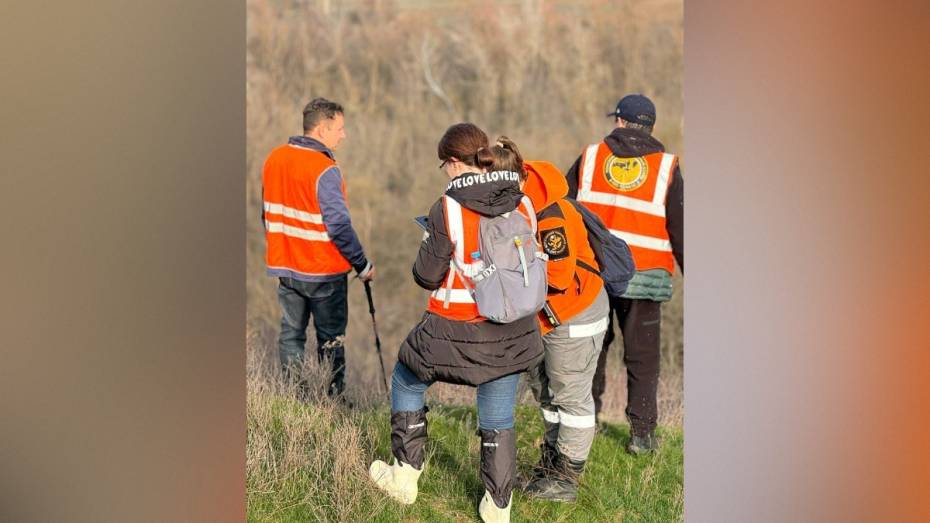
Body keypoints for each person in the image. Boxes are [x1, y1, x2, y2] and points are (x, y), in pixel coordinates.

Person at [368, 123, 543, 523]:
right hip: (513, 327)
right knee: (498, 416)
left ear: (451, 162)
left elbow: (427, 276)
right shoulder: (522, 200)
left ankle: (406, 476)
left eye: (442, 165)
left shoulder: (447, 207)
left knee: (407, 377)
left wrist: (429, 241)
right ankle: (498, 506)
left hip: (455, 326)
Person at [488, 138, 609, 502]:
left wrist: (515, 265)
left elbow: (557, 277)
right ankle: (551, 465)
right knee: (547, 394)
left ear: (515, 180)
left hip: (575, 314)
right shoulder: (522, 208)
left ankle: (567, 478)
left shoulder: (551, 214)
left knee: (570, 397)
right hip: (548, 318)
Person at [565, 94, 684, 454]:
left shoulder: (590, 158)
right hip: (645, 278)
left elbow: (564, 209)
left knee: (593, 349)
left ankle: (589, 421)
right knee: (642, 358)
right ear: (650, 127)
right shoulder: (667, 167)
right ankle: (642, 437)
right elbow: (680, 228)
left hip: (595, 273)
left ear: (619, 122)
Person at [261, 97, 375, 400]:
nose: (344, 134)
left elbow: (267, 214)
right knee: (331, 340)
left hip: (285, 266)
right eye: (340, 128)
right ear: (322, 129)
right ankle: (333, 400)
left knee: (290, 336)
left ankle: (294, 400)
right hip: (324, 272)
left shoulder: (274, 159)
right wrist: (362, 265)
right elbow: (338, 226)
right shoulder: (325, 170)